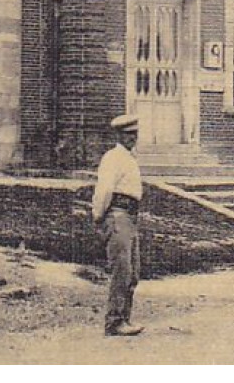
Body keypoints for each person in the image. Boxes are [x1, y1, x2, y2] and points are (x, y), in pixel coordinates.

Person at [91, 114, 145, 337]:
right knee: (121, 271)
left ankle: (124, 318)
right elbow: (104, 190)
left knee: (133, 272)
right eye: (127, 135)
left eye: (134, 134)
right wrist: (99, 215)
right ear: (119, 135)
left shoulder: (130, 159)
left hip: (130, 217)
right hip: (117, 215)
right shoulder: (113, 158)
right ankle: (114, 322)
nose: (132, 139)